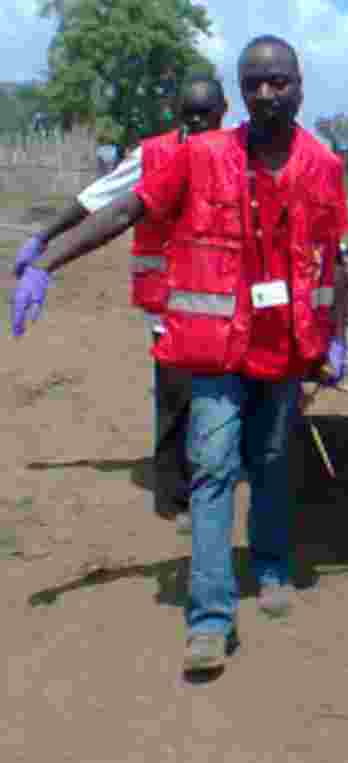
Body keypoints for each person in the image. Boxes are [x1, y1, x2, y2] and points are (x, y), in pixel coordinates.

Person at [11, 35, 348, 673]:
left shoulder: (325, 167)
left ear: (300, 83)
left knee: (273, 460)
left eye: (278, 81)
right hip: (217, 350)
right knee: (213, 467)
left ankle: (272, 562)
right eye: (253, 83)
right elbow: (122, 211)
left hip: (282, 350)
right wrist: (47, 262)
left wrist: (332, 336)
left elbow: (330, 259)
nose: (266, 93)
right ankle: (211, 619)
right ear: (239, 90)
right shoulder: (202, 156)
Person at [11, 75, 229, 534]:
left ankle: (214, 478)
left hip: (220, 300)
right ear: (177, 114)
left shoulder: (235, 152)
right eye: (188, 114)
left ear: (223, 112)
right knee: (176, 397)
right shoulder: (154, 155)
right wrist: (43, 241)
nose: (196, 124)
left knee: (217, 395)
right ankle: (175, 497)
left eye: (206, 115)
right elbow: (100, 202)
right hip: (169, 298)